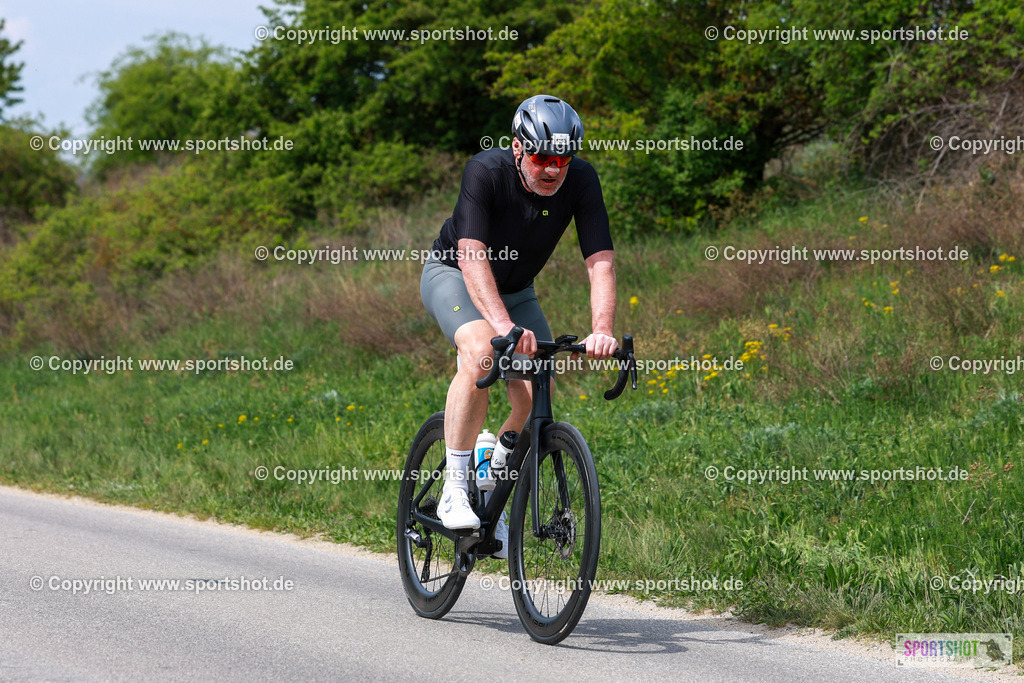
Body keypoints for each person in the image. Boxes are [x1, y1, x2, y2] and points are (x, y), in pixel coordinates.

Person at [419, 95, 617, 557]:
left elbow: (600, 261)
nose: (553, 170)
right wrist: (503, 325)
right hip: (455, 275)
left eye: (562, 160)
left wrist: (602, 328)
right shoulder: (485, 171)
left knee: (535, 393)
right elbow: (471, 255)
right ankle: (454, 489)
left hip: (516, 289)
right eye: (542, 158)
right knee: (482, 354)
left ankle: (491, 486)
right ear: (516, 147)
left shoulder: (582, 179)